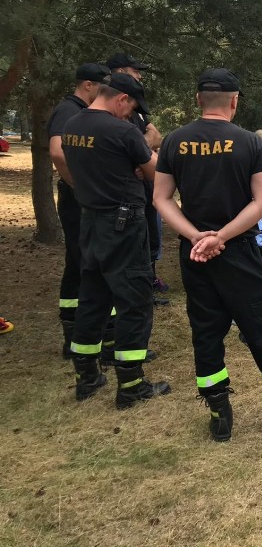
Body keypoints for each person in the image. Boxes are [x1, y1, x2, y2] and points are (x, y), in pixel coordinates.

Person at [153, 68, 262, 441]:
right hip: (239, 251)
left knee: (206, 331)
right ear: (234, 101)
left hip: (195, 253)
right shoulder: (249, 143)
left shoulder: (174, 141)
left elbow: (161, 198)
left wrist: (198, 236)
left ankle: (219, 413)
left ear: (198, 100)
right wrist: (223, 237)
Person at [62, 73, 170, 408]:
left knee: (93, 297)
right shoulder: (121, 130)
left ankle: (87, 377)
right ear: (121, 99)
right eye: (131, 107)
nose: (130, 115)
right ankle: (131, 385)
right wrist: (150, 145)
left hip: (90, 222)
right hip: (123, 223)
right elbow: (155, 173)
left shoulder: (73, 125)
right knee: (134, 301)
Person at [47, 62, 111, 358]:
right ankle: (76, 336)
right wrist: (80, 187)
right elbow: (58, 152)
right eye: (102, 88)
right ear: (88, 85)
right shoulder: (68, 110)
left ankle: (80, 335)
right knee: (82, 263)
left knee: (81, 261)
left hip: (82, 198)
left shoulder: (78, 112)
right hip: (78, 200)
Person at [106, 53, 168, 302]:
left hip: (144, 185)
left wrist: (143, 153)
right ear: (119, 72)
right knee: (133, 241)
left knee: (150, 235)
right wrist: (142, 153)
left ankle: (148, 279)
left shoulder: (136, 111)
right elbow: (126, 146)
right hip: (125, 191)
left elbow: (156, 135)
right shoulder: (111, 110)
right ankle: (136, 289)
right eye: (135, 71)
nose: (140, 75)